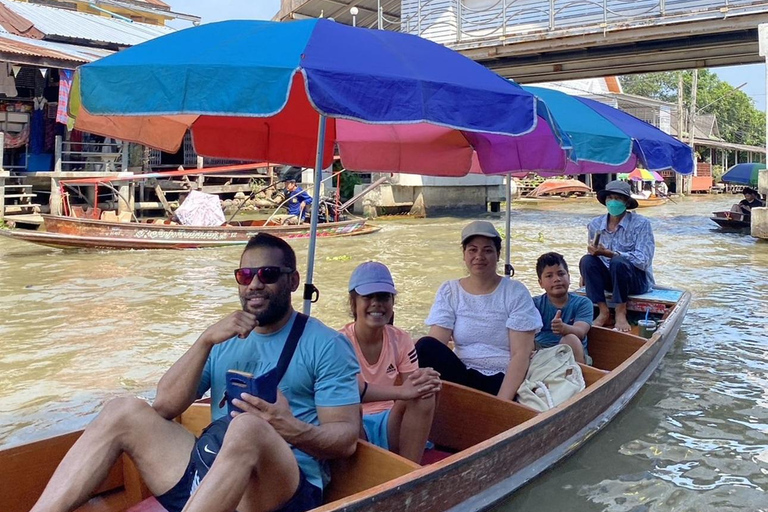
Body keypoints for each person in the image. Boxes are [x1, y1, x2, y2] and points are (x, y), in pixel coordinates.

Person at [31, 233, 361, 512]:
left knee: (247, 427)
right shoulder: (224, 338)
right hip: (209, 468)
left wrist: (288, 427)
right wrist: (205, 341)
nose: (255, 284)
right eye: (245, 276)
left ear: (292, 281)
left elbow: (345, 441)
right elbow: (163, 407)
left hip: (280, 489)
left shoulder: (326, 344)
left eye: (268, 274)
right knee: (123, 410)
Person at [415, 221, 542, 401]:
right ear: (464, 254)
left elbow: (520, 354)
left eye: (487, 250)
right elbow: (436, 342)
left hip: (501, 378)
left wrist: (502, 402)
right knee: (424, 346)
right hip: (461, 374)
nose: (479, 256)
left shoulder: (515, 291)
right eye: (472, 250)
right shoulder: (450, 290)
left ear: (498, 255)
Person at [340, 262, 441, 463]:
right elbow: (349, 392)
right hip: (356, 423)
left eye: (384, 297)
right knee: (349, 405)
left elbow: (412, 387)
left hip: (390, 421)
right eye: (368, 297)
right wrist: (402, 392)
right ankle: (359, 470)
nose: (377, 303)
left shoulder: (401, 339)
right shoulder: (339, 343)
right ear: (353, 303)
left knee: (426, 390)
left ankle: (409, 470)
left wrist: (426, 379)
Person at [580, 180, 654, 333]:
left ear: (626, 202)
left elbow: (644, 260)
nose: (613, 202)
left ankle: (621, 311)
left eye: (618, 198)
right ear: (605, 201)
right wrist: (585, 273)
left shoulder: (641, 224)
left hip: (635, 280)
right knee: (586, 260)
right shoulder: (595, 224)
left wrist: (611, 253)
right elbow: (593, 253)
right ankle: (603, 311)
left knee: (618, 261)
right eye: (610, 198)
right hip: (609, 280)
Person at [533, 252, 593, 364]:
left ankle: (576, 378)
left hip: (572, 355)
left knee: (571, 339)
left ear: (569, 278)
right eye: (549, 276)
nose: (557, 279)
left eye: (561, 274)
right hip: (542, 350)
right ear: (541, 283)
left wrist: (564, 328)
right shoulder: (534, 304)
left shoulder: (583, 303)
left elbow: (580, 331)